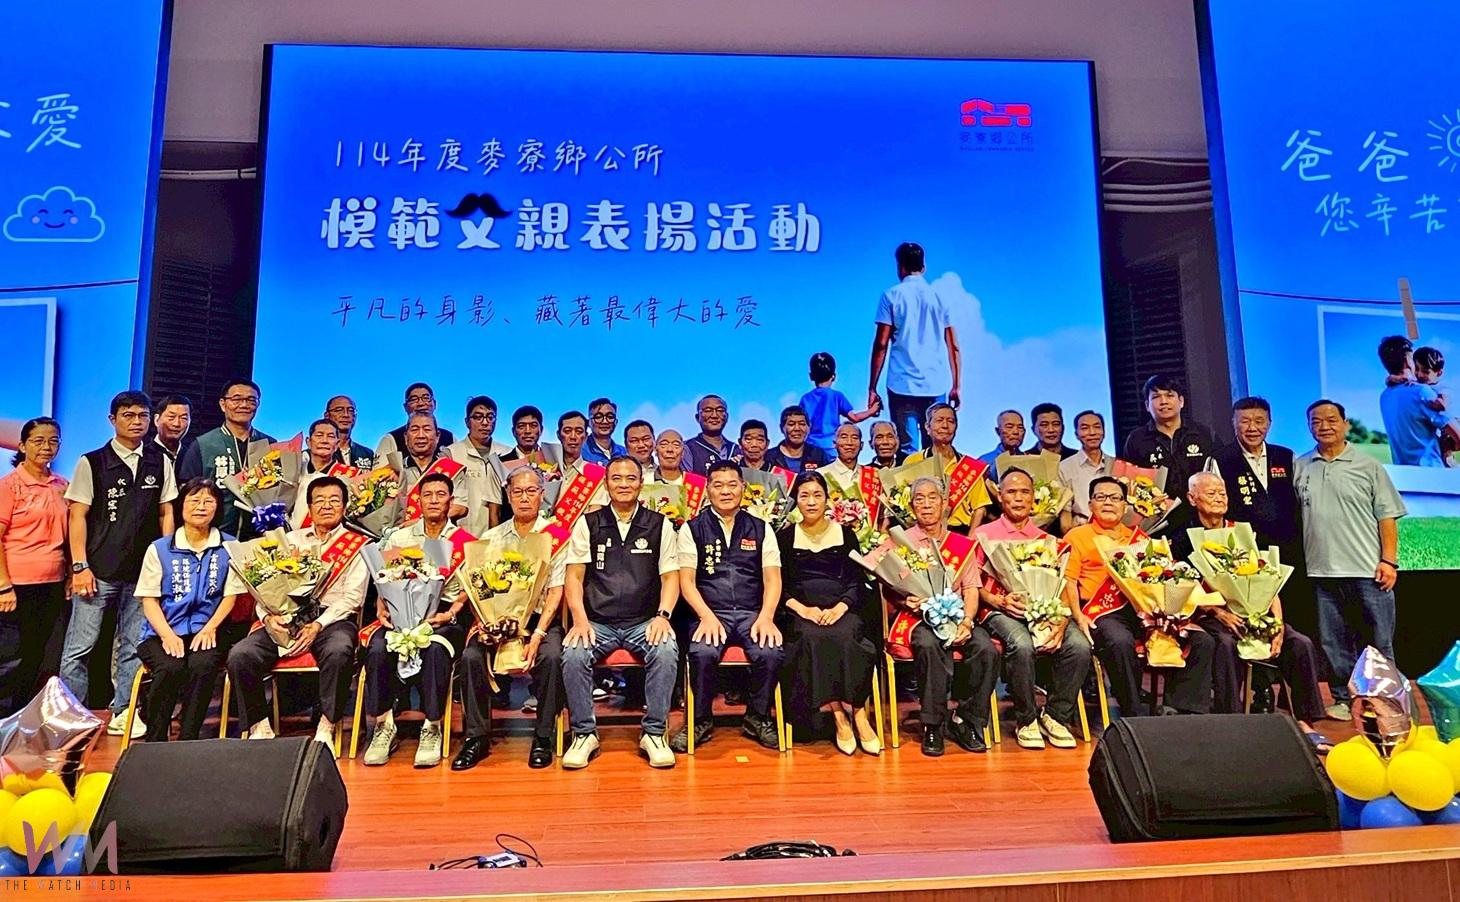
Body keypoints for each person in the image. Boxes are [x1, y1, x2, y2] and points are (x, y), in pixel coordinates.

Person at [1176, 473, 1330, 749]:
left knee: (1300, 644)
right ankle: (1232, 720)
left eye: (1222, 492)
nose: (1219, 498)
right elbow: (1182, 588)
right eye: (1211, 493)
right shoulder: (1183, 538)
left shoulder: (1243, 533)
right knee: (1225, 643)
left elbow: (1269, 581)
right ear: (1192, 498)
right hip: (1211, 615)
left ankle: (1305, 721)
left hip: (1257, 611)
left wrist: (1278, 624)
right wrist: (1219, 612)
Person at [63, 391, 178, 737]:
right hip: (97, 570)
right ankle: (69, 714)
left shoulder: (160, 461)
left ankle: (124, 710)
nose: (136, 422)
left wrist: (166, 559)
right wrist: (80, 566)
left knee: (131, 645)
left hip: (142, 572)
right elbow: (77, 516)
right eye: (128, 415)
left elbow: (166, 512)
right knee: (79, 647)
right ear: (112, 420)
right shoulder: (92, 461)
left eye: (142, 415)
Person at [226, 476, 369, 745]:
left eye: (334, 500)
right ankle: (260, 725)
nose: (327, 506)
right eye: (320, 501)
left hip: (331, 620)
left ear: (345, 506)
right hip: (284, 617)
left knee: (339, 651)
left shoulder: (358, 545)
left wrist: (318, 625)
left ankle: (326, 726)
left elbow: (353, 598)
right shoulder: (288, 540)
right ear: (309, 507)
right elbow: (262, 585)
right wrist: (268, 616)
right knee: (241, 655)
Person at [561, 456, 680, 769]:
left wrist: (663, 616)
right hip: (597, 622)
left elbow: (671, 577)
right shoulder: (588, 523)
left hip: (644, 621)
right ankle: (584, 733)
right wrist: (579, 620)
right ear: (606, 483)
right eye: (616, 478)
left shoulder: (660, 524)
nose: (624, 484)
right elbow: (573, 577)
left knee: (666, 649)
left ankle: (654, 733)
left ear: (641, 483)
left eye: (630, 478)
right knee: (573, 653)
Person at [1063, 476, 1214, 718]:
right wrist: (1078, 616)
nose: (1108, 502)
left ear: (1125, 506)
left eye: (1115, 498)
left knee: (1201, 640)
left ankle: (1179, 710)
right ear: (1090, 504)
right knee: (1120, 641)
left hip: (1145, 609)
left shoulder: (1140, 539)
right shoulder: (1077, 536)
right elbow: (1068, 580)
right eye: (1101, 497)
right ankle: (1133, 714)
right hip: (1104, 611)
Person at [1295, 399, 1406, 720]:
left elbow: (1387, 517)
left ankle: (1386, 703)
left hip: (1368, 571)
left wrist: (1389, 562)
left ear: (1345, 424)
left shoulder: (1368, 466)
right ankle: (1344, 699)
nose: (1324, 426)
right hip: (1321, 572)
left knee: (1379, 641)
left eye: (1331, 420)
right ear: (1309, 427)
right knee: (1333, 643)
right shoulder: (1301, 466)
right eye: (1316, 421)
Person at [453, 466, 567, 771]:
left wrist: (538, 634)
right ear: (508, 495)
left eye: (531, 491)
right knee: (471, 657)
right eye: (517, 492)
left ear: (542, 494)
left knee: (552, 657)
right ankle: (476, 737)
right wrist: (486, 623)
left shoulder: (556, 536)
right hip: (496, 618)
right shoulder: (492, 537)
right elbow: (478, 586)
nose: (524, 498)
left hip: (540, 621)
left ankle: (543, 735)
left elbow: (556, 591)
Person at [362, 472, 472, 768]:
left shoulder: (465, 542)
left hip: (443, 616)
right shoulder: (400, 537)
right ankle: (384, 726)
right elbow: (383, 579)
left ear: (451, 501)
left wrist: (451, 612)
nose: (434, 500)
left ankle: (432, 727)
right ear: (418, 501)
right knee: (377, 648)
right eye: (427, 495)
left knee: (435, 649)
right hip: (399, 613)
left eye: (441, 494)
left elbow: (469, 589)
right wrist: (382, 606)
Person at [974, 468, 1089, 750]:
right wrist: (999, 601)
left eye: (1025, 492)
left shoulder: (1046, 539)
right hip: (999, 610)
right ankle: (1026, 720)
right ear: (1000, 497)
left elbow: (1062, 585)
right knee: (1022, 644)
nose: (1018, 498)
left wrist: (1062, 620)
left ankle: (1056, 715)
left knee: (1079, 645)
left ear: (1034, 498)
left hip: (1044, 610)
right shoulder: (982, 535)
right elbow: (971, 584)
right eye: (1011, 492)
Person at [674, 461, 784, 751]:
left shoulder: (761, 528)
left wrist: (767, 616)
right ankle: (700, 721)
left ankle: (758, 718)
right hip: (710, 613)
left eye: (732, 484)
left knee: (770, 652)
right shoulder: (692, 529)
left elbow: (772, 578)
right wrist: (706, 616)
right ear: (708, 489)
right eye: (718, 485)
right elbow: (686, 581)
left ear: (743, 488)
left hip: (752, 613)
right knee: (702, 652)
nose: (726, 491)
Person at [886, 477, 998, 756]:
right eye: (919, 499)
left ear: (944, 503)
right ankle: (933, 724)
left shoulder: (961, 544)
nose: (926, 504)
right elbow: (889, 588)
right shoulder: (899, 542)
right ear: (912, 506)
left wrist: (967, 621)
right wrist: (905, 600)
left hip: (957, 615)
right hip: (918, 617)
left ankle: (966, 719)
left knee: (986, 649)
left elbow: (971, 589)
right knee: (928, 645)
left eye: (932, 497)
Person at [775, 471, 879, 754]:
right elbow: (778, 585)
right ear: (796, 500)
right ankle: (839, 716)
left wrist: (840, 607)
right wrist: (803, 610)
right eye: (804, 496)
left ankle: (859, 713)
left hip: (842, 608)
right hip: (801, 612)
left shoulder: (845, 534)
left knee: (847, 636)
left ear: (827, 500)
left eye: (817, 495)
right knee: (813, 637)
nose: (811, 502)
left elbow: (857, 581)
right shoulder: (784, 538)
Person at [134, 478, 245, 743]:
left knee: (202, 665)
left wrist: (210, 628)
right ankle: (155, 740)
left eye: (208, 501)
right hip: (162, 631)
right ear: (181, 505)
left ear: (218, 508)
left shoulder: (230, 546)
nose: (201, 506)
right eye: (194, 500)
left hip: (209, 630)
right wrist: (167, 635)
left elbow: (230, 596)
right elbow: (149, 600)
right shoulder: (159, 549)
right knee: (170, 668)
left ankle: (188, 739)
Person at [867, 242, 962, 454]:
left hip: (902, 383)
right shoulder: (940, 297)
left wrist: (872, 387)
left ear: (900, 267)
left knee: (907, 450)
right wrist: (956, 385)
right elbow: (953, 345)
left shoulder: (891, 295)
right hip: (935, 382)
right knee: (936, 448)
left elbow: (881, 344)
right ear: (923, 267)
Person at [0, 418, 68, 715]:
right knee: (10, 658)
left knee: (39, 656)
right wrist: (3, 586)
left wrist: (70, 575)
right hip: (16, 586)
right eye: (38, 441)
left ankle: (24, 719)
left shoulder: (62, 485)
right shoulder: (9, 486)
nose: (46, 447)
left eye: (53, 441)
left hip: (52, 584)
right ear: (22, 445)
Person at [177, 379, 274, 536]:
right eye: (236, 399)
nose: (244, 405)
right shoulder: (203, 445)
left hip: (260, 537)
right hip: (213, 536)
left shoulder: (270, 445)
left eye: (251, 400)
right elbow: (186, 492)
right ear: (223, 404)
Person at [1214, 398, 1302, 567]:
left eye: (1259, 421)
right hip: (1243, 553)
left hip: (1289, 550)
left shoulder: (1286, 456)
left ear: (1269, 424)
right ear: (1234, 423)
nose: (1252, 428)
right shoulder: (1220, 459)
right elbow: (1212, 509)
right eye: (1245, 421)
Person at [1120, 375, 1214, 526]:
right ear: (1147, 405)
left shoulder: (1203, 434)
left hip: (1201, 517)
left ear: (1181, 401)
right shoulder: (1136, 440)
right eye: (1156, 397)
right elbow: (1130, 486)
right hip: (1156, 522)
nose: (1163, 401)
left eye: (1169, 395)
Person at [904, 403, 992, 533]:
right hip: (922, 533)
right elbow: (903, 503)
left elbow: (980, 508)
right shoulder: (913, 461)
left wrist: (969, 540)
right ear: (927, 427)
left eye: (950, 421)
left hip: (959, 533)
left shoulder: (969, 466)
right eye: (939, 420)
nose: (945, 425)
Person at [1377, 335, 1448, 467]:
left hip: (1404, 474)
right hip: (1432, 471)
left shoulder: (1384, 397)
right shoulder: (1421, 391)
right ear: (1407, 360)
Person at [393, 413, 468, 527]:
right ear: (405, 437)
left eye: (427, 429)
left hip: (442, 535)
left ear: (437, 436)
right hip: (402, 536)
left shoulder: (451, 469)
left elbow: (460, 508)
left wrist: (419, 523)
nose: (421, 435)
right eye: (414, 430)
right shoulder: (395, 470)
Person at [447, 395, 505, 537]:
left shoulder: (506, 453)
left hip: (500, 534)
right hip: (462, 534)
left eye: (490, 417)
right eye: (478, 417)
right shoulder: (452, 453)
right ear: (467, 422)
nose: (485, 423)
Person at [800, 352, 878, 456]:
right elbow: (854, 418)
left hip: (811, 448)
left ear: (811, 376)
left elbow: (801, 424)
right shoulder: (836, 396)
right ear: (834, 376)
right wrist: (872, 411)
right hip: (831, 448)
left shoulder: (805, 399)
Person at [1058, 409, 1114, 531]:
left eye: (1097, 427)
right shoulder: (1065, 467)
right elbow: (1065, 512)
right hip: (1082, 529)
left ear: (1104, 432)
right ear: (1076, 434)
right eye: (1085, 428)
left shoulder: (1116, 464)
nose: (1092, 432)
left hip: (1114, 529)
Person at [375, 383, 456, 460]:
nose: (420, 403)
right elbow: (379, 470)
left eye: (426, 398)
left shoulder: (450, 438)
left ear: (434, 404)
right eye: (413, 399)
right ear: (405, 407)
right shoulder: (391, 439)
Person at [291, 419, 340, 529]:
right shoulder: (294, 468)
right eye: (319, 435)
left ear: (337, 444)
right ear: (308, 442)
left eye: (330, 437)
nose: (324, 441)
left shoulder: (349, 476)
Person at [1413, 346, 1458, 464]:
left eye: (1425, 371)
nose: (1419, 374)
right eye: (1416, 369)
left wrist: (1431, 401)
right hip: (1430, 435)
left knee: (1446, 459)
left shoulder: (1442, 388)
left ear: (1439, 373)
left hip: (1446, 434)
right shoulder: (1417, 384)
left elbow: (1444, 404)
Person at [683, 395, 744, 476]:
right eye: (708, 410)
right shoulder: (687, 448)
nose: (714, 415)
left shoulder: (737, 449)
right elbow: (686, 480)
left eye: (720, 410)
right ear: (698, 417)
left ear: (727, 417)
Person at [765, 405, 828, 474]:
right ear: (781, 428)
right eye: (791, 424)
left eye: (802, 424)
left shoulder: (819, 455)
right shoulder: (768, 457)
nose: (797, 428)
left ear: (809, 427)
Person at [499, 405, 559, 473]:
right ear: (513, 431)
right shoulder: (501, 464)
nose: (527, 431)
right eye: (521, 426)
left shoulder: (553, 460)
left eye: (533, 426)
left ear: (541, 430)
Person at [324, 395, 375, 468]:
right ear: (327, 416)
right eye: (339, 410)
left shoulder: (367, 454)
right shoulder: (315, 454)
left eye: (351, 410)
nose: (346, 415)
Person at [820, 423, 865, 490]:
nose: (849, 442)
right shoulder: (821, 474)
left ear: (861, 445)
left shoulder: (873, 475)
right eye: (844, 437)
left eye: (854, 438)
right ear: (834, 444)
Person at [583, 398, 626, 464]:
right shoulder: (580, 451)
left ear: (616, 422)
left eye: (610, 417)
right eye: (598, 417)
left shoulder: (625, 453)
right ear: (589, 423)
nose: (605, 421)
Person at [151, 394, 192, 464]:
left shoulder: (192, 457)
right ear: (156, 420)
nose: (176, 424)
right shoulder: (142, 454)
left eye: (183, 418)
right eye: (171, 417)